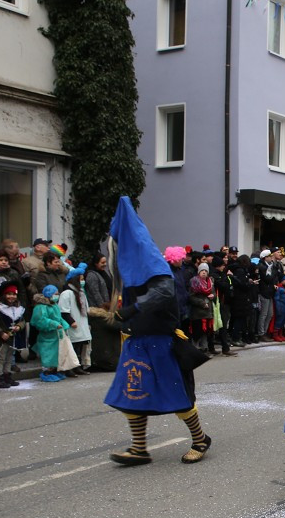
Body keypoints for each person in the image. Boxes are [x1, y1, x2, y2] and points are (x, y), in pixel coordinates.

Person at [105, 197, 212, 466]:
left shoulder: (150, 259)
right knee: (131, 395)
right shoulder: (132, 263)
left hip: (161, 342)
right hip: (137, 341)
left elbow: (164, 292)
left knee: (177, 396)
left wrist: (133, 309)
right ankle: (139, 449)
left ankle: (200, 439)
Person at [31, 285, 69, 382]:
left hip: (56, 335)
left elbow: (59, 318)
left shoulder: (54, 305)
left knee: (56, 354)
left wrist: (65, 326)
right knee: (48, 354)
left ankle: (54, 371)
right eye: (55, 294)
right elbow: (40, 320)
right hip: (46, 337)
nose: (57, 296)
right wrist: (54, 324)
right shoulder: (40, 307)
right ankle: (46, 372)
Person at [59, 263, 92, 375]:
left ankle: (78, 365)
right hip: (73, 324)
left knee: (80, 345)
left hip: (81, 323)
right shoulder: (67, 293)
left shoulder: (81, 293)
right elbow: (64, 311)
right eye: (81, 279)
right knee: (72, 346)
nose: (83, 281)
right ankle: (70, 368)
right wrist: (71, 321)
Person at [0, 282, 25, 388]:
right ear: (4, 295)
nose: (12, 297)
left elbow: (22, 321)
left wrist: (19, 326)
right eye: (9, 294)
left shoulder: (19, 308)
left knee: (10, 357)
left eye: (14, 294)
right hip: (2, 338)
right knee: (0, 358)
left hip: (13, 337)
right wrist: (1, 332)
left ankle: (7, 376)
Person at [189, 262, 216, 354]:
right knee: (197, 331)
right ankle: (195, 349)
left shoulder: (210, 282)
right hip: (198, 312)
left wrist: (213, 295)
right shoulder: (194, 282)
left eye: (205, 270)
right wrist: (202, 303)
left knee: (206, 332)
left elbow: (214, 293)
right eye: (202, 270)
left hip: (208, 312)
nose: (204, 272)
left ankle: (205, 348)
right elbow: (191, 297)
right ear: (198, 272)